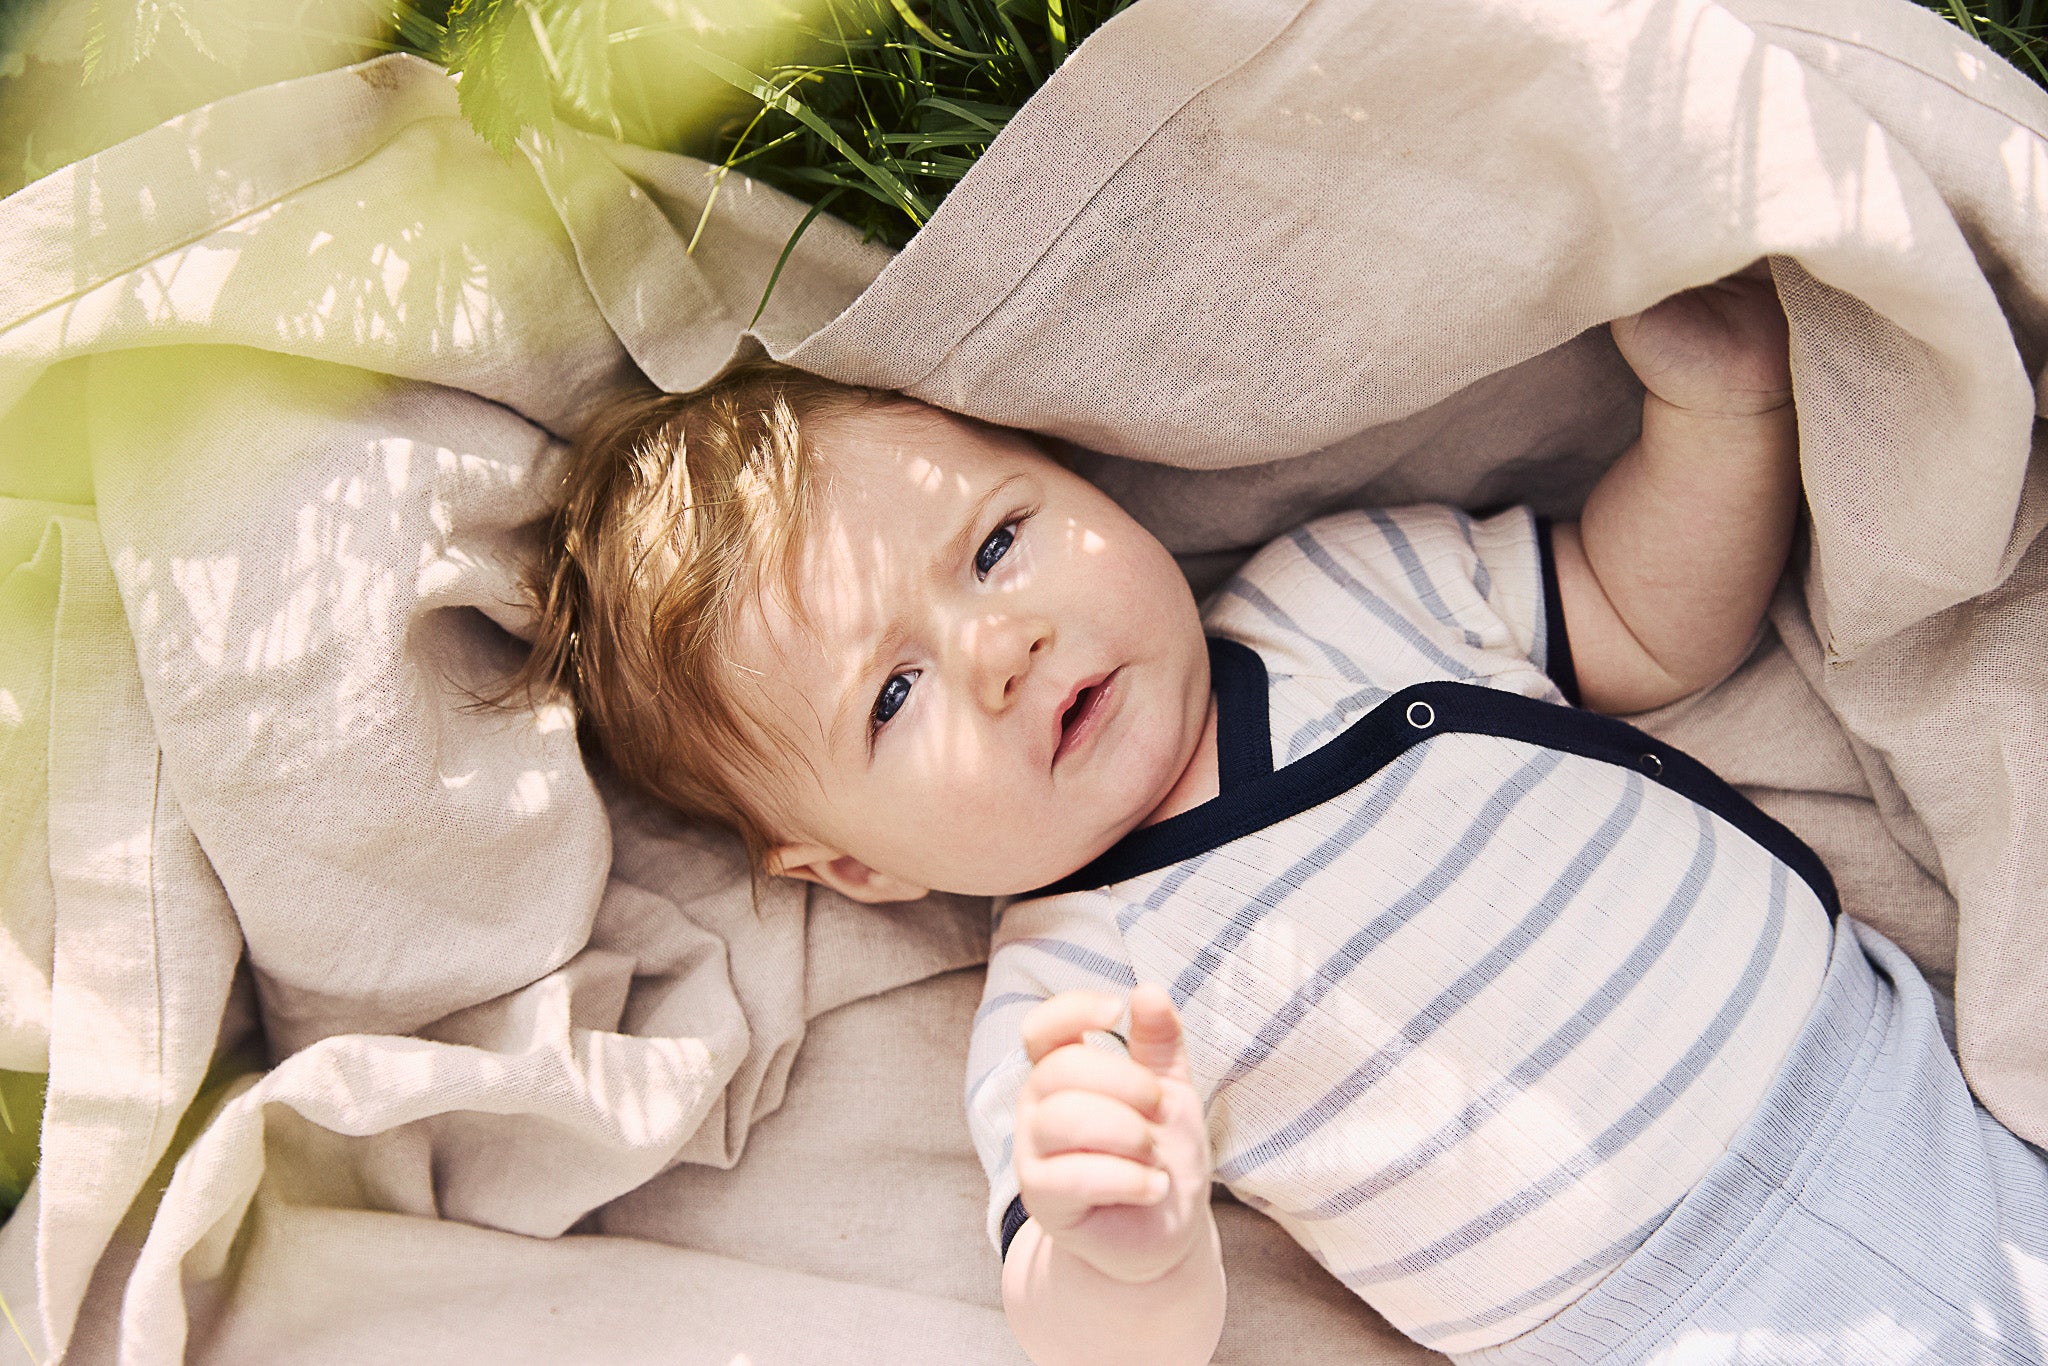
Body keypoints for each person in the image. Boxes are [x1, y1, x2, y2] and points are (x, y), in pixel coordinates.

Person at [513, 267, 2048, 1365]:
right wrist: (1121, 1246)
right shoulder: (1071, 1008)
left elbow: (1639, 619)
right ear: (854, 864)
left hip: (1909, 1095)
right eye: (893, 694)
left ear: (1079, 479)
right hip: (1652, 1326)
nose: (1001, 645)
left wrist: (1719, 421)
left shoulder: (1344, 592)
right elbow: (1102, 1330)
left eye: (995, 544)